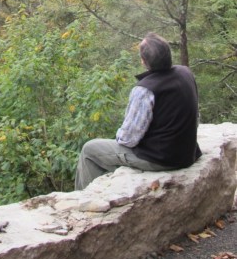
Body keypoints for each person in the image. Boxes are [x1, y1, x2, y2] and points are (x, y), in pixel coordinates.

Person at [75, 32, 202, 190]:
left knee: (90, 150)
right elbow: (195, 116)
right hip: (188, 152)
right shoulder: (185, 73)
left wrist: (118, 138)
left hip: (161, 159)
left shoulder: (145, 89)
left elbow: (128, 139)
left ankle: (85, 197)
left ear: (144, 61)